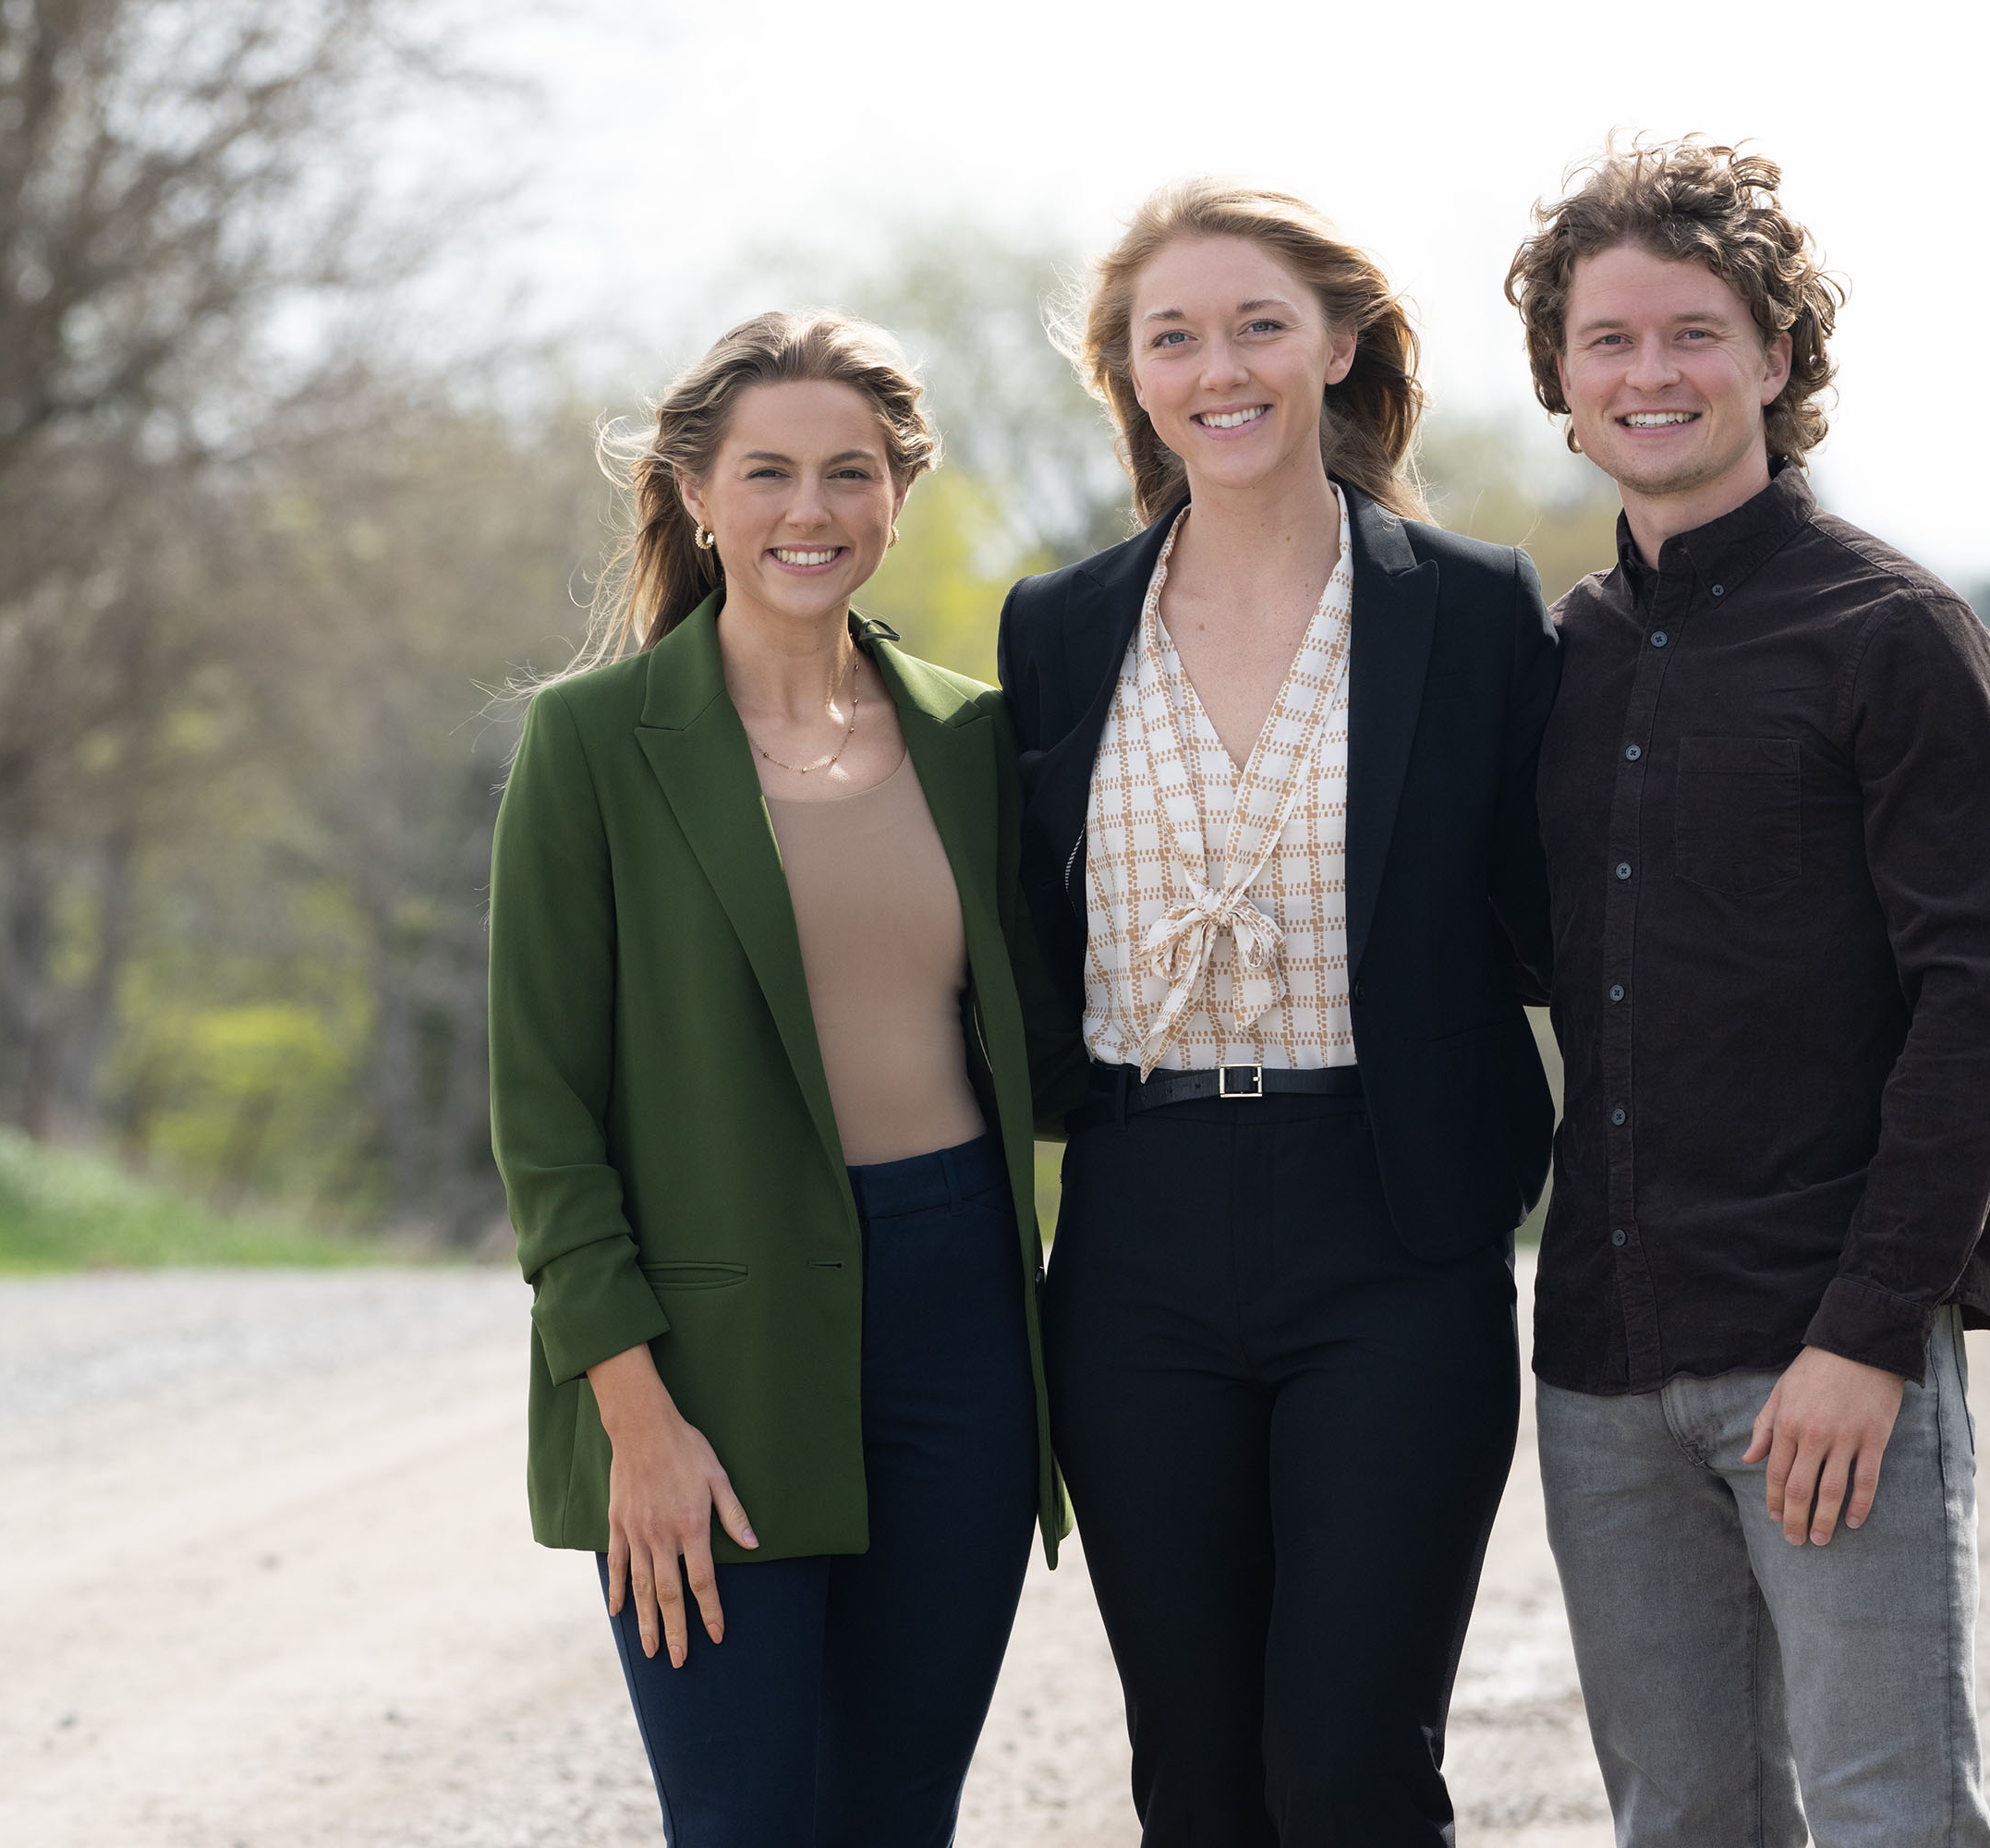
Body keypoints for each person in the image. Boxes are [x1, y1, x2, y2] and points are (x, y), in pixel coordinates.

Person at [1503, 140, 1990, 1846]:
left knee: (1892, 1815)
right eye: (1608, 342)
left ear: (1777, 358)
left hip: (1823, 1360)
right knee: (1681, 1822)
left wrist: (1869, 1333)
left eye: (1692, 333)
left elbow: (1973, 1011)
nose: (1649, 375)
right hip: (1601, 1369)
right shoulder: (1565, 656)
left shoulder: (1895, 635)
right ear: (1563, 385)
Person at [995, 181, 1559, 1845]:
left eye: (1257, 325)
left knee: (1354, 1767)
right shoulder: (1058, 626)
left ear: (1337, 344)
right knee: (1195, 1772)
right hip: (1140, 1235)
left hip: (1393, 1232)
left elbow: (1558, 921)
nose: (1217, 367)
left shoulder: (1468, 609)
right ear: (1133, 377)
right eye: (1173, 336)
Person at [488, 310, 1087, 1847]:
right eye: (767, 473)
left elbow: (1050, 1034)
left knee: (895, 1819)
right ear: (697, 491)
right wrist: (637, 1416)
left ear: (900, 494)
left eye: (849, 474)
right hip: (707, 1350)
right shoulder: (593, 743)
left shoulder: (972, 735)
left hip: (959, 1317)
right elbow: (544, 1121)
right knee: (745, 1821)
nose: (807, 512)